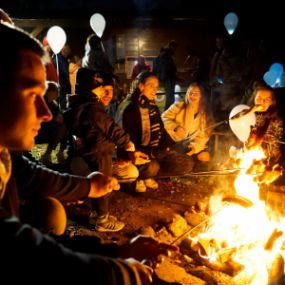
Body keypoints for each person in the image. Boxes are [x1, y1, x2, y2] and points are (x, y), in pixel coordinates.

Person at [0, 21, 176, 284]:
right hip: (91, 161)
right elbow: (23, 253)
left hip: (88, 166)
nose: (46, 112)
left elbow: (31, 177)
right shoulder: (95, 110)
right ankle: (102, 216)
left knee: (51, 212)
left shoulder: (6, 158)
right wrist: (119, 272)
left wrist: (117, 251)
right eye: (31, 94)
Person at [64, 67, 149, 231]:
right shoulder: (92, 108)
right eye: (101, 87)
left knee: (100, 182)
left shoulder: (78, 105)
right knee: (103, 184)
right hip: (99, 153)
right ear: (93, 88)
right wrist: (127, 142)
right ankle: (102, 219)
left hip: (92, 151)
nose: (104, 91)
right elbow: (110, 127)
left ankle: (96, 215)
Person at [161, 82, 214, 169]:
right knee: (183, 163)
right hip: (173, 141)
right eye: (190, 93)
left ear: (201, 96)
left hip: (188, 145)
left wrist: (194, 147)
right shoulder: (180, 106)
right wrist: (175, 127)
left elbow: (203, 136)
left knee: (205, 157)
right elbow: (164, 117)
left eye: (196, 94)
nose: (192, 96)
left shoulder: (205, 114)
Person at [245, 84, 283, 165]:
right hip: (245, 159)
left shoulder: (276, 119)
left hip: (265, 163)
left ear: (272, 102)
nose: (262, 102)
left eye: (267, 99)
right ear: (253, 99)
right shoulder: (246, 115)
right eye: (259, 98)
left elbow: (275, 148)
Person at [36, 81, 68, 164]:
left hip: (50, 129)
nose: (57, 94)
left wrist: (60, 118)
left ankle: (60, 152)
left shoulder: (54, 105)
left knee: (66, 126)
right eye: (56, 91)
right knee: (63, 127)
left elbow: (58, 116)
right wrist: (55, 120)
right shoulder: (41, 102)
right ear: (49, 92)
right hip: (40, 130)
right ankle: (48, 154)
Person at [153, 40, 178, 110]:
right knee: (170, 99)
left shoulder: (163, 55)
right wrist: (174, 77)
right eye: (174, 48)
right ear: (171, 46)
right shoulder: (166, 55)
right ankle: (166, 114)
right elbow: (167, 68)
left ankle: (166, 113)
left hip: (166, 78)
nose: (175, 50)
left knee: (170, 98)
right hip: (168, 79)